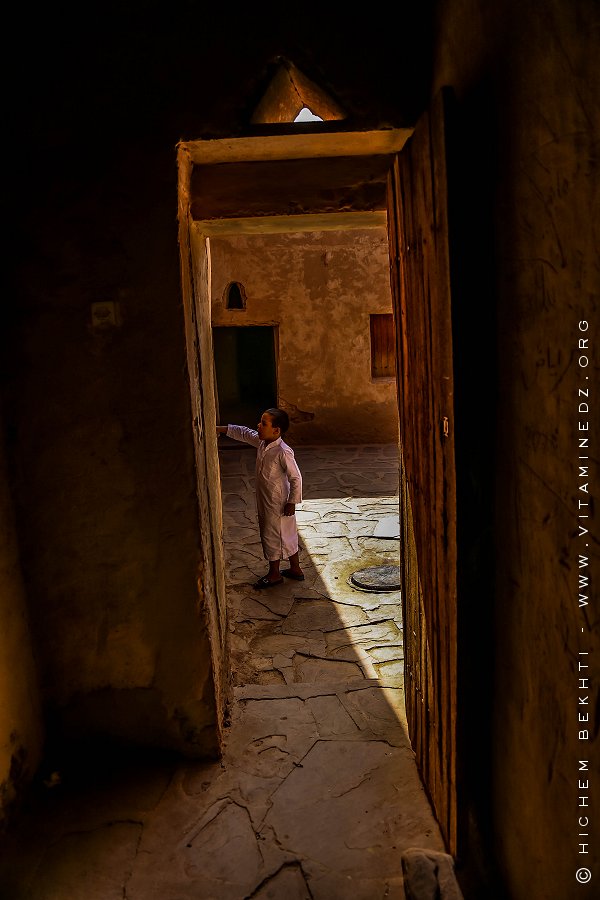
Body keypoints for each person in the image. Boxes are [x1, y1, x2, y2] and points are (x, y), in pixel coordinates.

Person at [217, 408, 305, 589]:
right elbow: (243, 432)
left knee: (272, 535)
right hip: (266, 499)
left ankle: (274, 574)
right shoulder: (262, 443)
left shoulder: (283, 451)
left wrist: (292, 502)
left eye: (264, 423)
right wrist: (221, 429)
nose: (258, 425)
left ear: (276, 430)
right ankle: (295, 569)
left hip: (278, 502)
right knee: (286, 533)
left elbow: (296, 478)